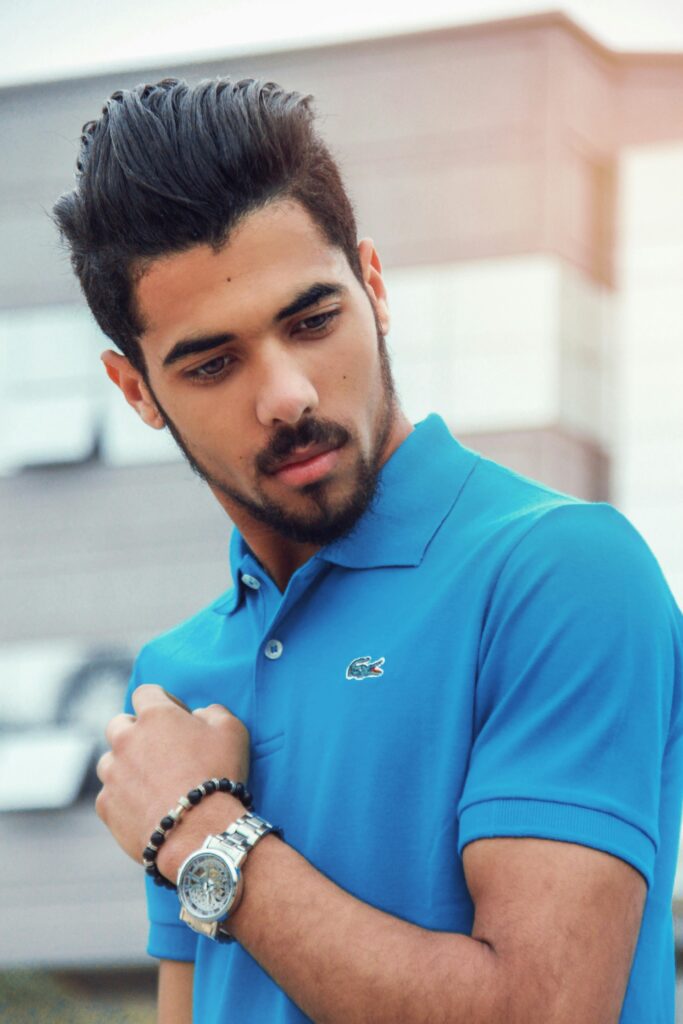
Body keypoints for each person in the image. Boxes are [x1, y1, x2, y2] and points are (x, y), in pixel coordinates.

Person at [53, 77, 683, 1024]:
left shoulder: (561, 574)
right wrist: (189, 821)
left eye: (312, 321)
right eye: (213, 363)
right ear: (136, 391)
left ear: (373, 285)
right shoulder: (175, 685)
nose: (288, 395)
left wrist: (209, 835)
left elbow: (543, 1010)